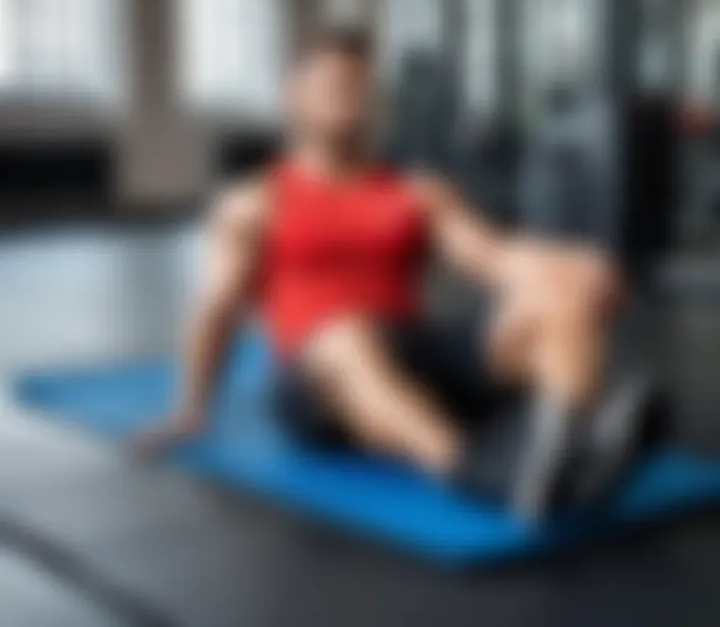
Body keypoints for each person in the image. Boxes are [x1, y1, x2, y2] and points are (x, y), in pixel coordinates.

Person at [134, 27, 654, 519]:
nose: (352, 99)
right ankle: (482, 474)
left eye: (361, 87)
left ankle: (566, 446)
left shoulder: (418, 190)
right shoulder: (254, 201)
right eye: (335, 87)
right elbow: (217, 308)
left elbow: (493, 255)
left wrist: (574, 267)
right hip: (319, 378)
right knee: (343, 336)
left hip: (411, 352)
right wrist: (191, 409)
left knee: (558, 296)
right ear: (294, 98)